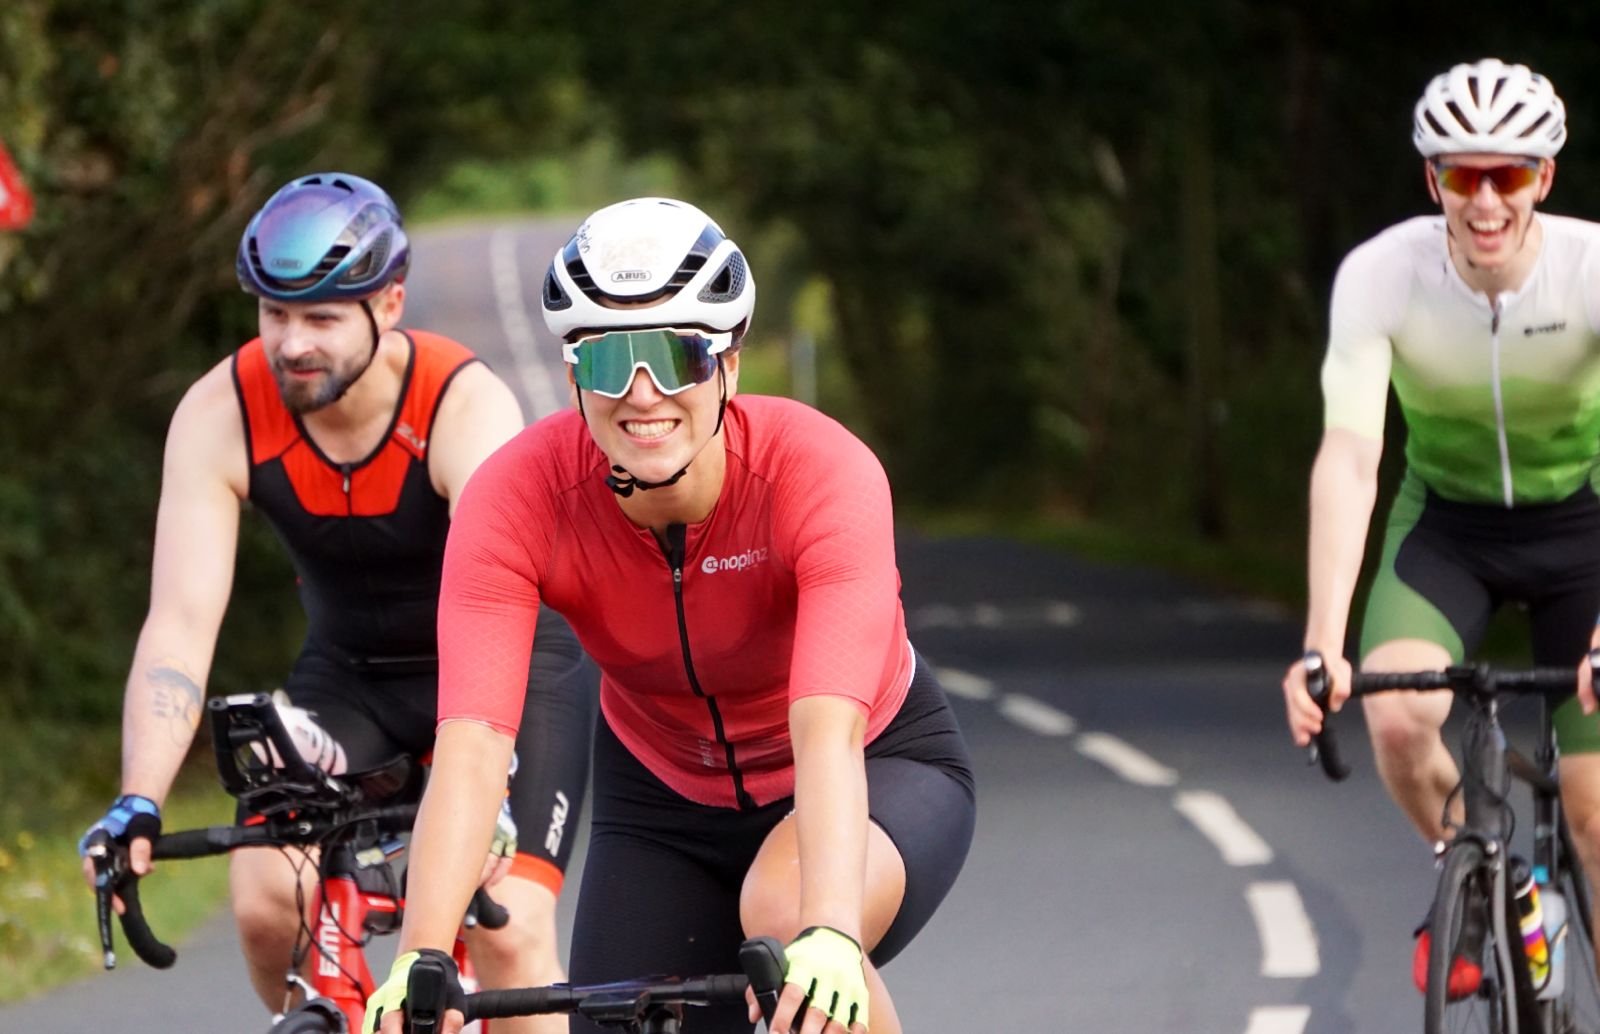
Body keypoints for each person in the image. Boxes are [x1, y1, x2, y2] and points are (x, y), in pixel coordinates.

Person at [362, 197, 976, 1034]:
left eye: (675, 355)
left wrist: (830, 930)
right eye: (608, 361)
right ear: (574, 375)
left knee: (790, 927)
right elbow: (472, 745)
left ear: (727, 363)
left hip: (869, 764)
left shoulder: (820, 473)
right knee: (619, 1019)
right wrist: (421, 958)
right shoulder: (516, 498)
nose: (642, 394)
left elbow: (826, 730)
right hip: (660, 795)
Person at [77, 172, 596, 1034]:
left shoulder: (462, 405)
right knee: (264, 899)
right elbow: (179, 624)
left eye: (321, 318)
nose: (291, 344)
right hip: (350, 677)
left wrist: (489, 789)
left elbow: (499, 607)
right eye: (273, 314)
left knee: (507, 928)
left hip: (506, 670)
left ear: (389, 304)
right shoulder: (222, 412)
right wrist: (140, 798)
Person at [1279, 57, 1600, 992]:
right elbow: (1350, 456)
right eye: (1464, 174)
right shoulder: (1383, 275)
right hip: (1449, 529)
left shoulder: (1589, 270)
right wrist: (1321, 644)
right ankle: (1495, 884)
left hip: (1584, 530)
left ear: (1543, 178)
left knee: (1594, 817)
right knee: (1395, 716)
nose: (1486, 200)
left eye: (1508, 174)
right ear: (1433, 181)